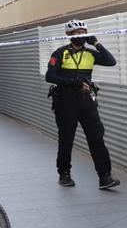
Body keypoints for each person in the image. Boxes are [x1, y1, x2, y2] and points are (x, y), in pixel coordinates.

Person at [44, 20, 120, 190]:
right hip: (65, 101)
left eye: (83, 32)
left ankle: (105, 177)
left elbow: (111, 61)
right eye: (77, 33)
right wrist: (74, 82)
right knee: (66, 139)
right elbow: (50, 76)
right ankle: (64, 174)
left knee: (96, 137)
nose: (81, 35)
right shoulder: (60, 53)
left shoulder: (90, 54)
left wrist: (96, 43)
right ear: (69, 35)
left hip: (87, 101)